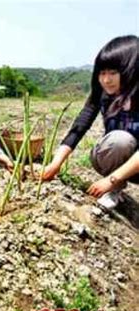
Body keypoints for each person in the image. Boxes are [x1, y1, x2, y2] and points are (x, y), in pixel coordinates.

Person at [42, 35, 139, 209]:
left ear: (131, 70)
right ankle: (115, 190)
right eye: (102, 73)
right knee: (120, 140)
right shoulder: (102, 94)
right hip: (112, 154)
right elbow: (79, 127)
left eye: (113, 73)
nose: (106, 80)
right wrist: (55, 163)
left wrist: (110, 180)